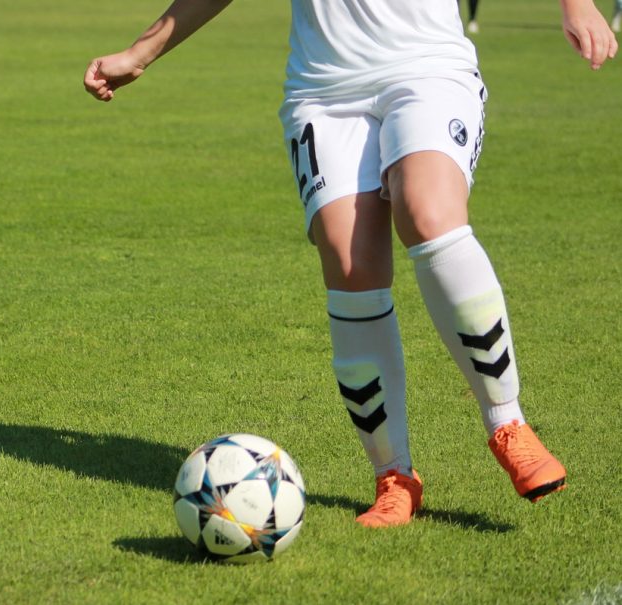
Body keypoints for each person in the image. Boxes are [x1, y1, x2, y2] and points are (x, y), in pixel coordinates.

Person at [83, 1, 617, 527]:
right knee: (349, 263)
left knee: (428, 214)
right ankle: (394, 478)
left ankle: (508, 425)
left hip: (427, 66)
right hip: (323, 89)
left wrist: (577, 4)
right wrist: (142, 51)